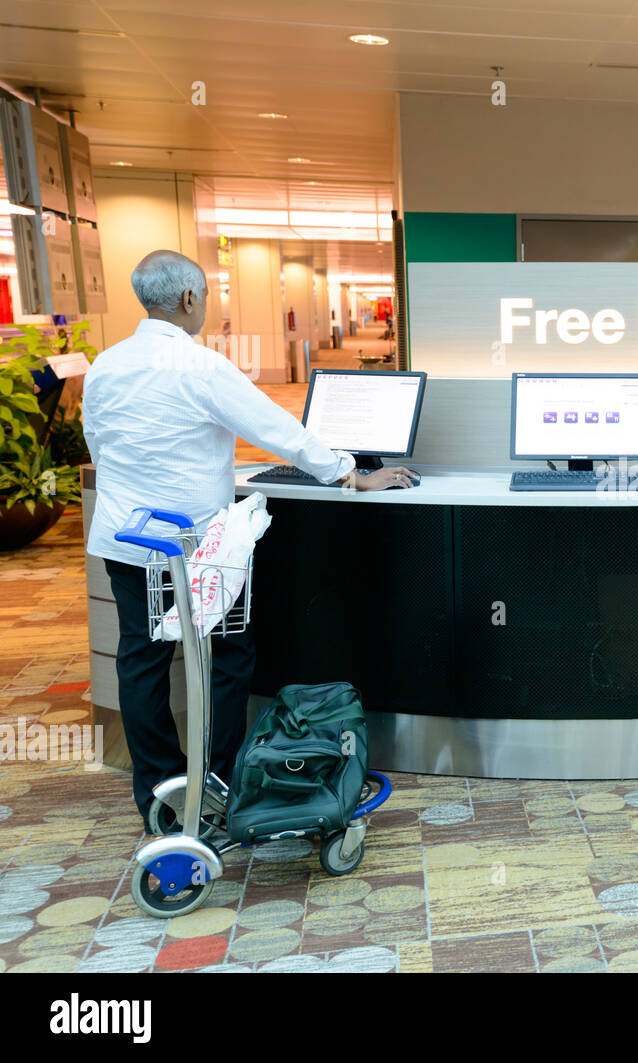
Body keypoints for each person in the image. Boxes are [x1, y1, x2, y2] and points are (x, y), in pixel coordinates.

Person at [83, 250, 417, 830]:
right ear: (189, 299)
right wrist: (348, 472)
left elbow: (99, 446)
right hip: (196, 547)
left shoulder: (104, 366)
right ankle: (218, 781)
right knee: (228, 655)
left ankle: (161, 798)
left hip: (127, 538)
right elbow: (278, 430)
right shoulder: (200, 366)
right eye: (206, 296)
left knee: (142, 663)